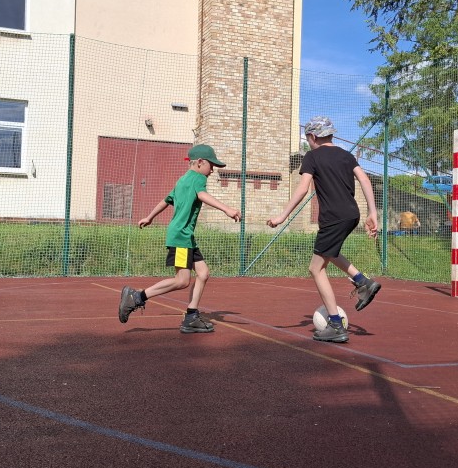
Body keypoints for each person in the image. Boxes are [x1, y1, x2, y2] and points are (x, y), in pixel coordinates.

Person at [266, 116, 380, 343]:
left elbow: (302, 189)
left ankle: (336, 324)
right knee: (330, 253)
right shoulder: (346, 155)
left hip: (333, 218)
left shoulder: (312, 156)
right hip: (352, 214)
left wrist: (282, 216)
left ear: (312, 136)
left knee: (316, 268)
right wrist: (373, 212)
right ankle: (362, 282)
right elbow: (365, 180)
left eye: (307, 138)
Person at [118, 143, 241, 333]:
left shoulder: (182, 180)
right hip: (182, 236)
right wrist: (227, 209)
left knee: (203, 273)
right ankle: (136, 297)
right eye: (211, 165)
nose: (212, 170)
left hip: (185, 236)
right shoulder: (198, 178)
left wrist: (150, 217)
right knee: (182, 280)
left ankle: (191, 316)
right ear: (200, 162)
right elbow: (202, 195)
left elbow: (166, 201)